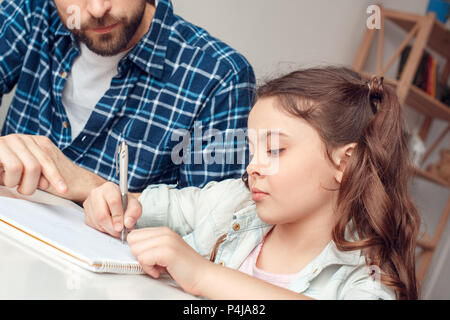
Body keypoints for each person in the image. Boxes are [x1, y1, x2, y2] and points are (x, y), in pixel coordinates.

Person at [83, 66, 420, 299]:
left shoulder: (368, 276)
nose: (252, 168)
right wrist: (115, 203)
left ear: (343, 163)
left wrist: (202, 275)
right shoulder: (236, 202)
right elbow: (149, 206)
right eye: (252, 149)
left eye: (274, 149)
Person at [0, 0, 255, 203]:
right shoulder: (32, 10)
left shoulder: (221, 75)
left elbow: (216, 222)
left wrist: (90, 186)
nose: (98, 9)